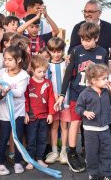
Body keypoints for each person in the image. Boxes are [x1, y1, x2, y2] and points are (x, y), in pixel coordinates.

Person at [55, 22, 108, 173]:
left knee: (92, 125)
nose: (85, 42)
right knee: (75, 122)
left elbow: (104, 75)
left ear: (96, 38)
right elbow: (68, 74)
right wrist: (61, 95)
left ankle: (91, 152)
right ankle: (72, 151)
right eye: (82, 39)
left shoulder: (103, 52)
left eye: (88, 40)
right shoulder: (76, 51)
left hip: (93, 95)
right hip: (76, 94)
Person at [75, 64, 111, 180]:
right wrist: (85, 112)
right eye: (104, 78)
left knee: (107, 153)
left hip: (105, 129)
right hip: (90, 131)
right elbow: (78, 108)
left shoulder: (106, 92)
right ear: (94, 80)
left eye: (106, 78)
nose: (107, 81)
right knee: (91, 154)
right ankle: (93, 174)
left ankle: (108, 174)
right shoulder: (85, 93)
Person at [0, 45, 30, 176]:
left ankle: (17, 162)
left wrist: (5, 88)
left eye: (10, 59)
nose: (6, 62)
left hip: (18, 113)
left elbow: (19, 93)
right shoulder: (1, 73)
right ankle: (0, 163)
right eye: (5, 59)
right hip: (4, 113)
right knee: (3, 138)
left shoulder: (24, 75)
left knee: (17, 138)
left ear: (19, 60)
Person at [24, 55, 55, 169]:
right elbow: (25, 99)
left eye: (44, 71)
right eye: (39, 71)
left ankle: (39, 159)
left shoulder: (48, 83)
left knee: (42, 139)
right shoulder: (28, 82)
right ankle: (30, 160)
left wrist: (51, 113)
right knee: (31, 139)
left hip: (44, 116)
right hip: (32, 117)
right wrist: (26, 113)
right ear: (32, 70)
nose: (42, 74)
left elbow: (51, 98)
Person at [45, 37, 71, 165]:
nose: (56, 54)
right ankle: (54, 151)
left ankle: (64, 151)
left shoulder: (67, 64)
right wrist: (53, 97)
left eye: (59, 51)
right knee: (54, 125)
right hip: (53, 101)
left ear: (63, 51)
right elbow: (46, 83)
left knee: (64, 125)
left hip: (66, 100)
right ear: (49, 51)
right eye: (53, 51)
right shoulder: (47, 66)